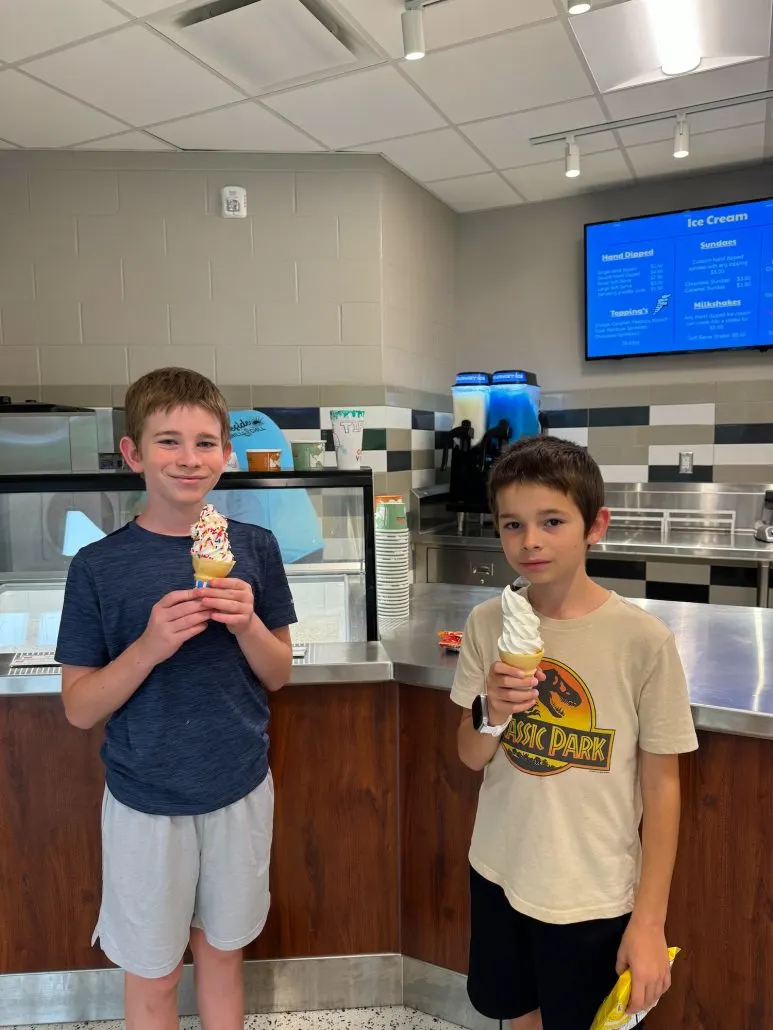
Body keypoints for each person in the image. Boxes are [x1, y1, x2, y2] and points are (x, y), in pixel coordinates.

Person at [55, 367, 296, 1030]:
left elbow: (278, 675)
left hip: (239, 788)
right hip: (144, 802)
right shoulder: (98, 566)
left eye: (205, 443)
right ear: (133, 453)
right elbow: (78, 708)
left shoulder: (255, 549)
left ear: (226, 453)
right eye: (168, 442)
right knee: (154, 974)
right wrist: (149, 646)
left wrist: (246, 622)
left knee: (222, 956)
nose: (188, 460)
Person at [451, 435, 698, 1030]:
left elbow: (663, 788)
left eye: (552, 521)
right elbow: (468, 753)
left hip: (592, 892)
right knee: (519, 1014)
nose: (530, 541)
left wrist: (649, 920)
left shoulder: (642, 641)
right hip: (500, 870)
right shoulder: (489, 624)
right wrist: (494, 709)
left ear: (596, 526)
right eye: (512, 524)